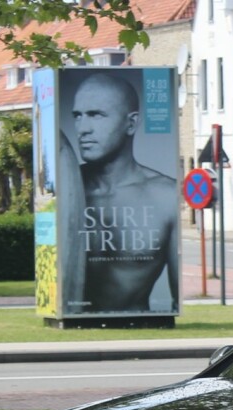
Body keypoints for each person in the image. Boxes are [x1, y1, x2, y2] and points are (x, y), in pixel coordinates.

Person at [69, 72, 178, 314]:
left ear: (131, 123)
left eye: (96, 115)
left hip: (140, 321)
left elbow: (177, 298)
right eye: (77, 116)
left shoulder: (165, 196)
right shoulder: (67, 191)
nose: (82, 129)